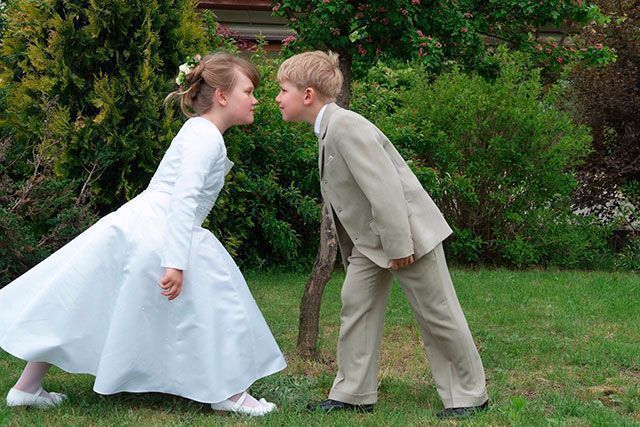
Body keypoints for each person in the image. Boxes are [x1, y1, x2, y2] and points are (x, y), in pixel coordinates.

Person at [0, 52, 286, 416]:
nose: (256, 98)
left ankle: (27, 386)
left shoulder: (201, 131)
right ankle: (228, 392)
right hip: (160, 228)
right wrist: (175, 261)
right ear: (222, 96)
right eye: (249, 90)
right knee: (221, 302)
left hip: (142, 221)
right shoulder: (206, 137)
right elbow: (184, 198)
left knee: (83, 299)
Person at [275, 51, 488, 419]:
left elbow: (385, 189)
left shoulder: (345, 126)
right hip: (370, 241)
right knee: (355, 304)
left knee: (437, 313)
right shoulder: (328, 129)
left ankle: (470, 395)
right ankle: (353, 393)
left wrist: (400, 246)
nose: (277, 98)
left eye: (282, 90)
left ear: (308, 95)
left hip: (406, 235)